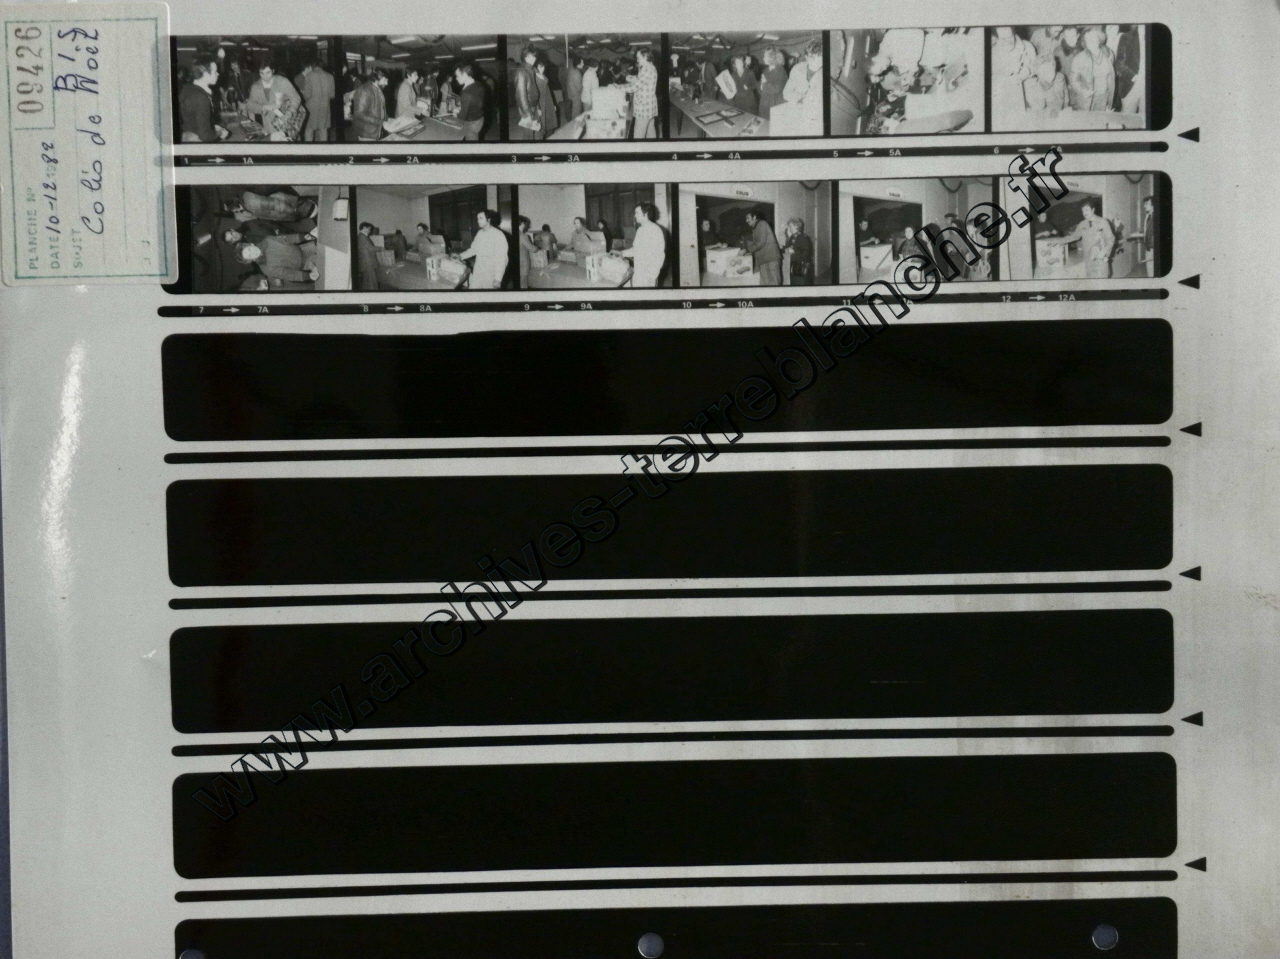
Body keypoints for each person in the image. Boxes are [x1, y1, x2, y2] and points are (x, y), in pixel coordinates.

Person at [246, 61, 304, 141]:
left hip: (287, 123)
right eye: (261, 73)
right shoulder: (256, 86)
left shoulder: (282, 81)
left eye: (268, 73)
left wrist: (290, 111)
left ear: (273, 71)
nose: (265, 77)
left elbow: (296, 98)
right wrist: (264, 107)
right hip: (268, 126)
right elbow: (250, 105)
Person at [1065, 198, 1121, 277]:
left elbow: (1111, 239)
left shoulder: (1103, 221)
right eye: (1083, 211)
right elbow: (1074, 236)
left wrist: (1104, 252)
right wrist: (1058, 241)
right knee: (1091, 280)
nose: (1084, 213)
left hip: (1100, 257)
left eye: (1087, 210)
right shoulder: (1082, 224)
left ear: (1093, 210)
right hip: (1088, 259)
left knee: (1101, 280)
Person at [178, 56, 228, 143]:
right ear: (205, 74)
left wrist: (212, 126)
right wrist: (221, 132)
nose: (218, 74)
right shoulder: (201, 97)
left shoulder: (189, 89)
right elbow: (205, 136)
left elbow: (194, 120)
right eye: (215, 72)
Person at [235, 235, 318, 286]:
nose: (252, 252)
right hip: (306, 264)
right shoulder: (266, 269)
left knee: (322, 243)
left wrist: (302, 237)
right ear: (251, 260)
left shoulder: (268, 240)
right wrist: (307, 276)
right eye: (249, 255)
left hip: (302, 248)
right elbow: (287, 274)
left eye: (249, 249)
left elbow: (286, 239)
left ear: (251, 244)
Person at [458, 209, 510, 289]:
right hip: (478, 271)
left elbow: (502, 258)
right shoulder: (479, 233)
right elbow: (474, 249)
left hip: (491, 273)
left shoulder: (498, 235)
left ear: (488, 219)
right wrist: (461, 256)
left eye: (481, 218)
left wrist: (498, 279)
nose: (478, 221)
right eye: (477, 218)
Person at [780, 39, 824, 133]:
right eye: (812, 57)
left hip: (815, 120)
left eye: (820, 57)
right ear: (806, 57)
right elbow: (786, 93)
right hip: (797, 115)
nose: (816, 61)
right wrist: (801, 98)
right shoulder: (797, 69)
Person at [1069, 27, 1116, 112]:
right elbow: (1073, 81)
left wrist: (1109, 103)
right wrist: (1083, 91)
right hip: (1088, 100)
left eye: (1093, 38)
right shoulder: (1079, 58)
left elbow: (1111, 78)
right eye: (1087, 39)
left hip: (1104, 98)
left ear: (1099, 39)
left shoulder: (1109, 54)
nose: (1090, 41)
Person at [619, 202, 666, 287]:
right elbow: (636, 249)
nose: (635, 215)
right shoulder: (640, 230)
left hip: (649, 275)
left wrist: (653, 275)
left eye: (637, 213)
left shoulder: (655, 230)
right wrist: (622, 253)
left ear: (646, 214)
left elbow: (659, 255)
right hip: (639, 272)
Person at [297, 58, 335, 142]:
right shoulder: (330, 76)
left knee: (309, 130)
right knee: (323, 131)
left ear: (312, 66)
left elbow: (307, 95)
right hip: (325, 108)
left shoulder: (309, 75)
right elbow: (332, 95)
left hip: (311, 109)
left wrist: (303, 92)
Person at [626, 48, 660, 138]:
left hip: (643, 107)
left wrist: (617, 87)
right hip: (649, 105)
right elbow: (642, 80)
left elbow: (633, 88)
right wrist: (634, 78)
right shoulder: (648, 67)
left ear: (645, 57)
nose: (637, 60)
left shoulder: (647, 69)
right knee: (650, 130)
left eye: (638, 58)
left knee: (638, 136)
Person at [742, 211, 782, 285]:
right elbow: (756, 243)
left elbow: (761, 242)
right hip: (763, 259)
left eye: (748, 218)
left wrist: (747, 249)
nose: (746, 221)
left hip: (771, 258)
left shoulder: (762, 223)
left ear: (754, 217)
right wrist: (746, 248)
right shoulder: (755, 228)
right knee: (765, 283)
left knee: (774, 282)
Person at [512, 45, 542, 139]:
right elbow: (521, 96)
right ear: (525, 57)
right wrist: (528, 114)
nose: (534, 59)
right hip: (526, 108)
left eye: (534, 56)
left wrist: (538, 107)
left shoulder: (531, 69)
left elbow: (534, 89)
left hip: (533, 106)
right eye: (530, 56)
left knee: (537, 131)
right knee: (528, 135)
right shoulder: (521, 71)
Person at [232, 190, 317, 222]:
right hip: (285, 208)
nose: (236, 212)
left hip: (288, 206)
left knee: (308, 209)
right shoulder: (246, 203)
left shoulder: (250, 202)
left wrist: (292, 210)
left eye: (235, 210)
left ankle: (314, 207)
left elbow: (275, 204)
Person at [452, 63, 487, 140]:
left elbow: (462, 115)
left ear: (464, 75)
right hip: (480, 119)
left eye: (457, 76)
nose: (456, 78)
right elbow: (476, 102)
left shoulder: (466, 92)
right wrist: (462, 106)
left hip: (471, 123)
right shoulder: (478, 84)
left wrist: (455, 113)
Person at [351, 70, 388, 140]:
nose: (387, 83)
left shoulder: (378, 89)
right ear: (377, 79)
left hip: (376, 129)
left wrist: (387, 119)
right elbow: (360, 114)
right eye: (385, 80)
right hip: (366, 132)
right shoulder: (364, 91)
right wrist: (380, 122)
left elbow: (381, 108)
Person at [1111, 24, 1141, 112]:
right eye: (1110, 28)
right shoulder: (1125, 37)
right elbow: (1120, 63)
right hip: (1130, 84)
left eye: (1115, 27)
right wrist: (1134, 76)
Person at [756, 47, 788, 118]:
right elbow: (760, 86)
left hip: (775, 103)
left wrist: (764, 84)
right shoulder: (765, 70)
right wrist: (760, 86)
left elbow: (777, 88)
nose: (763, 58)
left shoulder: (781, 71)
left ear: (772, 57)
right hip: (764, 102)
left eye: (765, 56)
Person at [783, 217, 814, 285]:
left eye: (790, 226)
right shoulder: (792, 237)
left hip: (800, 267)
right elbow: (790, 247)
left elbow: (806, 254)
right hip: (793, 265)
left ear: (796, 226)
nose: (789, 228)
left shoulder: (803, 237)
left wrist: (794, 252)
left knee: (800, 284)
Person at [355, 221, 380, 291]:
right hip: (368, 263)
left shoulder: (361, 236)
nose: (370, 230)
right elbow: (371, 248)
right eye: (369, 228)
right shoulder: (362, 237)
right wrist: (381, 248)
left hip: (366, 262)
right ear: (364, 228)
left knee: (367, 281)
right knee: (371, 281)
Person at [533, 59, 555, 138]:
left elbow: (548, 92)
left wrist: (553, 104)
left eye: (543, 67)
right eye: (540, 67)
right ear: (536, 67)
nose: (542, 69)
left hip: (547, 101)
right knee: (540, 125)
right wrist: (537, 108)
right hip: (540, 102)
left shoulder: (543, 76)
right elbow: (533, 94)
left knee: (549, 123)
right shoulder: (534, 77)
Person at [516, 215, 536, 287]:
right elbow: (533, 249)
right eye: (525, 224)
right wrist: (537, 247)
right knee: (523, 283)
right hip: (523, 263)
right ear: (522, 223)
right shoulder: (523, 236)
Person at [563, 56, 584, 123]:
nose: (583, 64)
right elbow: (579, 87)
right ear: (578, 64)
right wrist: (584, 87)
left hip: (572, 93)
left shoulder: (572, 70)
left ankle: (573, 123)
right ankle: (574, 125)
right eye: (582, 62)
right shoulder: (577, 73)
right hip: (576, 95)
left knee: (574, 111)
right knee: (576, 112)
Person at [1139, 194, 1156, 276]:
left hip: (1154, 248)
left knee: (1154, 270)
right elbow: (1149, 230)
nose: (1144, 206)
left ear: (1153, 205)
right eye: (1144, 204)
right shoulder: (1148, 216)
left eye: (1146, 204)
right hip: (1148, 247)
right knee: (1150, 270)